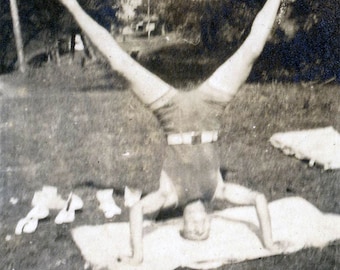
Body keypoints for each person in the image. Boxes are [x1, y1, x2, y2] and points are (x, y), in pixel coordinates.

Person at [59, 0, 289, 265]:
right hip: (210, 109)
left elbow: (137, 209)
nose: (198, 228)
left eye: (191, 232)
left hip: (170, 114)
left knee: (120, 63)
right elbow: (259, 199)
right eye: (204, 231)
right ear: (210, 221)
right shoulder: (219, 191)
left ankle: (72, 4)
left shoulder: (169, 196)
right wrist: (269, 243)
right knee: (252, 49)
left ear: (182, 225)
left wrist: (137, 256)